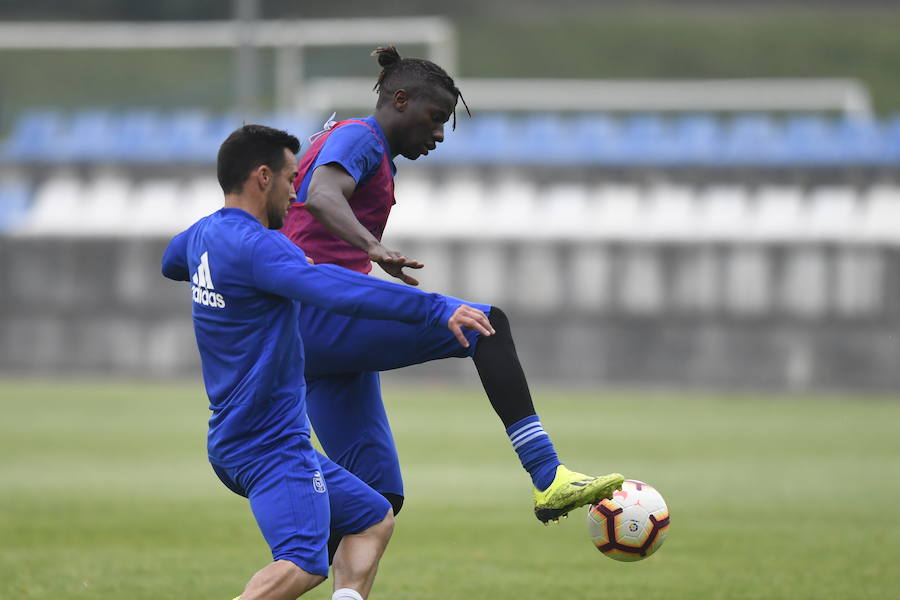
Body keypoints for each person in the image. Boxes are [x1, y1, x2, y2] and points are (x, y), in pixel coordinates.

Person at [280, 45, 623, 545]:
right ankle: (548, 475)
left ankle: (287, 579)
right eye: (434, 118)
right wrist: (373, 247)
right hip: (321, 311)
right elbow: (322, 196)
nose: (439, 133)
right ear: (400, 100)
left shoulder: (351, 140)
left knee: (375, 501)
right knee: (484, 324)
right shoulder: (360, 137)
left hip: (314, 338)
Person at [161, 124, 493, 600]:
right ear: (262, 178)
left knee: (372, 518)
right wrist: (436, 308)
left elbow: (171, 262)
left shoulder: (205, 235)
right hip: (269, 443)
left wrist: (241, 273)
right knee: (301, 564)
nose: (296, 191)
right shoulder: (262, 247)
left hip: (237, 436)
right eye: (292, 177)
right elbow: (340, 291)